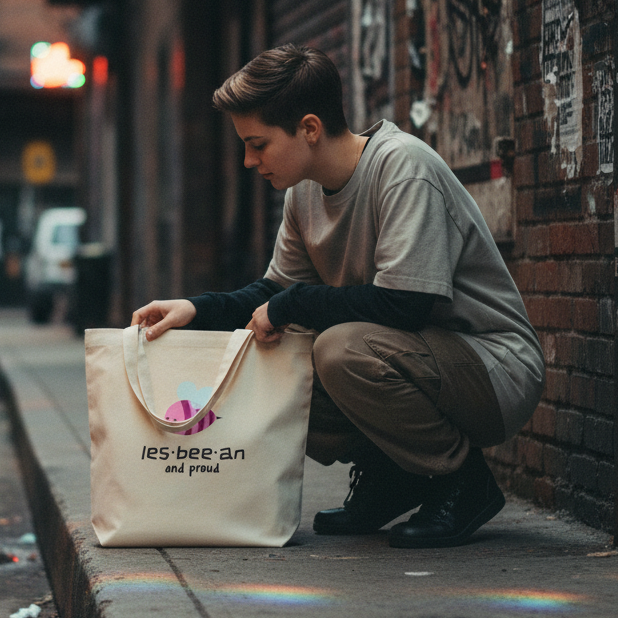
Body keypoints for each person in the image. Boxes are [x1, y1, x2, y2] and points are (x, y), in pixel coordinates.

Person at [131, 44, 545, 548]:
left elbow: (404, 304)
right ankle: (392, 475)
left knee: (338, 349)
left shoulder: (403, 168)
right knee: (276, 360)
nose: (247, 160)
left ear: (308, 128)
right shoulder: (303, 192)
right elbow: (275, 291)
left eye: (258, 144)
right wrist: (196, 309)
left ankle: (463, 482)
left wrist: (293, 305)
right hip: (419, 361)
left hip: (493, 368)